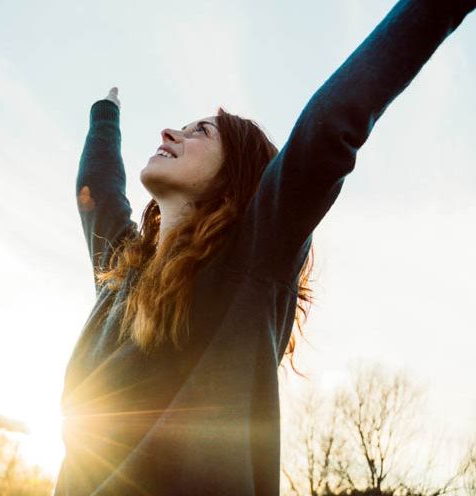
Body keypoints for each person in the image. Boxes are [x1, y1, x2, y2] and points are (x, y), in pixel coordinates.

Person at [54, 0, 475, 494]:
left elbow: (333, 119)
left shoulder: (250, 263)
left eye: (199, 133)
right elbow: (98, 192)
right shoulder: (120, 275)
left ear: (234, 181)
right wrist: (105, 117)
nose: (170, 132)